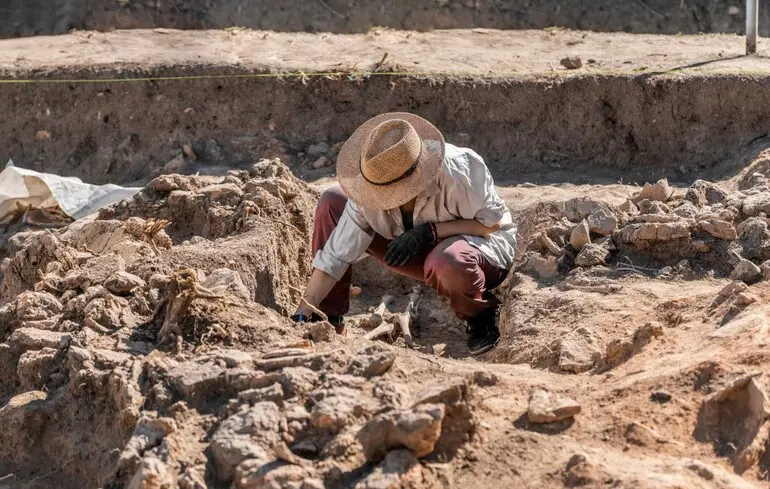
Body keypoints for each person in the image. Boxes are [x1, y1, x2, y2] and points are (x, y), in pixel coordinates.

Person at [293, 112, 516, 355]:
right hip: (417, 252)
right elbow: (335, 255)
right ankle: (326, 319)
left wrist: (430, 232)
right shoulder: (371, 184)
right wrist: (304, 310)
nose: (383, 200)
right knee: (333, 200)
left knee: (447, 260)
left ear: (417, 175)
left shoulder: (459, 170)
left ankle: (479, 315)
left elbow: (491, 224)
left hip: (480, 250)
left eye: (393, 192)